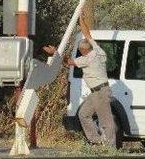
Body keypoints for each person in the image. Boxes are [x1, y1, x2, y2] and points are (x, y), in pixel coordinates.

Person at [42, 15, 117, 147]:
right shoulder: (98, 50)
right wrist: (81, 19)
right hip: (96, 92)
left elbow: (68, 62)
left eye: (80, 51)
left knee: (106, 121)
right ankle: (97, 141)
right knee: (83, 114)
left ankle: (110, 147)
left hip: (100, 92)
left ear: (83, 51)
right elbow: (87, 34)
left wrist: (55, 52)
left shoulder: (87, 59)